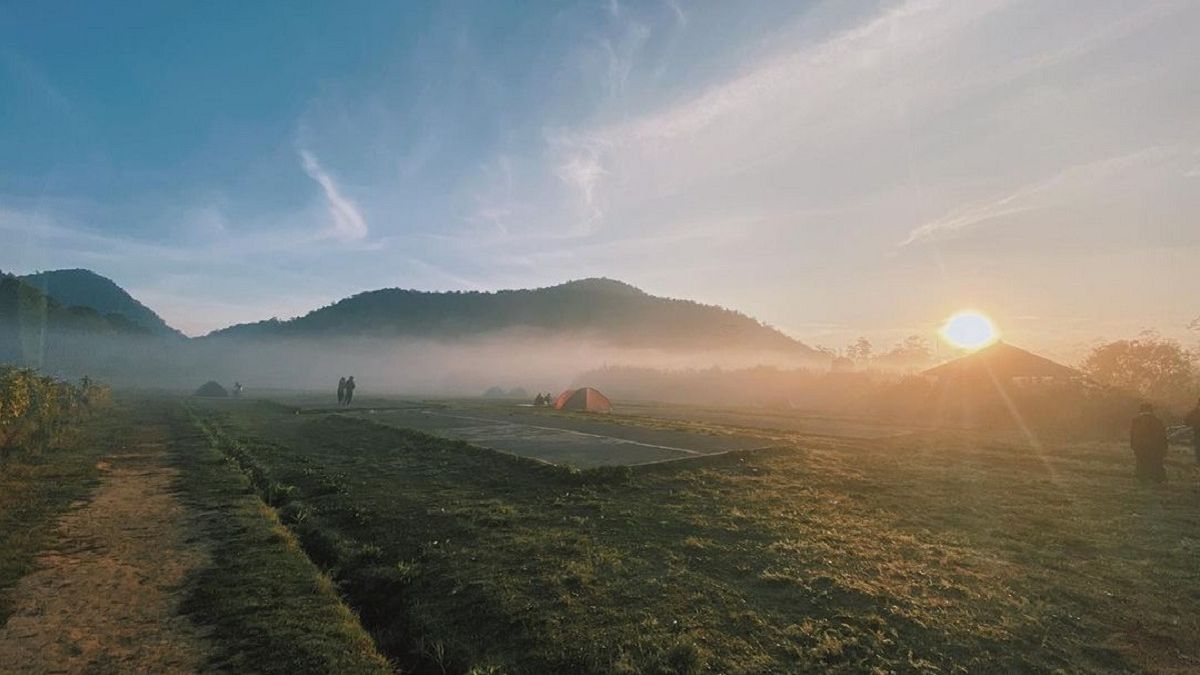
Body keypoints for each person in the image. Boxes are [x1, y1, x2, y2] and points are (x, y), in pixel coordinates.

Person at [1130, 403, 1168, 483]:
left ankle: (1143, 478)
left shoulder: (1136, 420)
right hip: (1155, 447)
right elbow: (1162, 436)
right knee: (1155, 462)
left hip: (1140, 446)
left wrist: (1133, 445)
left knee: (1141, 462)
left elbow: (1133, 435)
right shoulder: (1157, 421)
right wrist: (1164, 448)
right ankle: (1157, 479)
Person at [1186, 397, 1200, 465]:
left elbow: (1187, 421)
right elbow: (1188, 421)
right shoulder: (1195, 412)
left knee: (1198, 449)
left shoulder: (1195, 412)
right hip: (1197, 434)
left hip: (1197, 434)